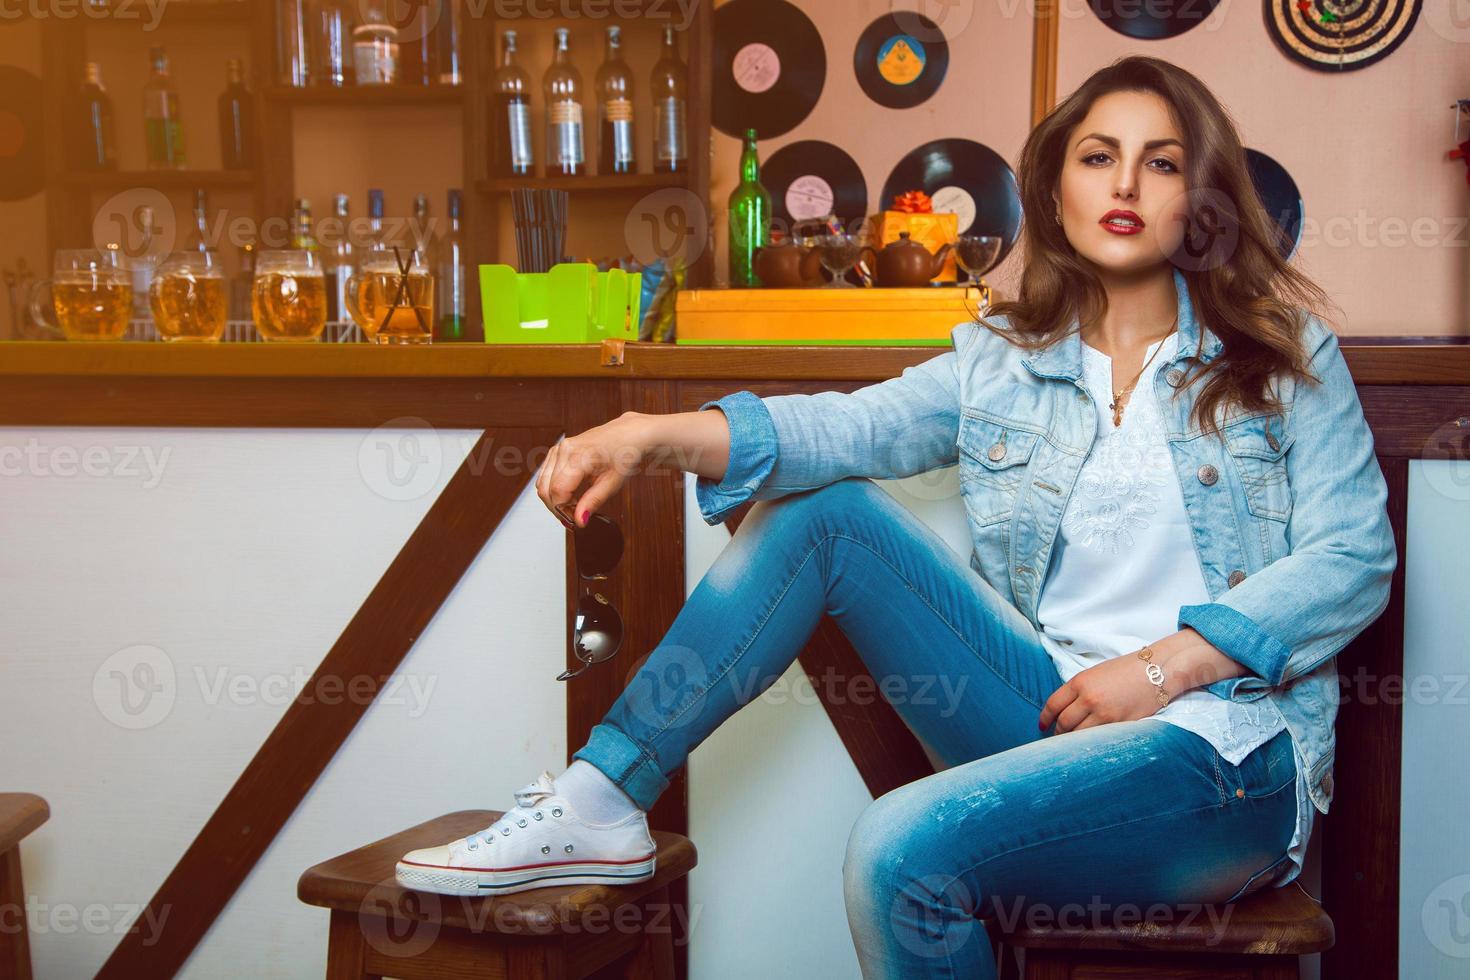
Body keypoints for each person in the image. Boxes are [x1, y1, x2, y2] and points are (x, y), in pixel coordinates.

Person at [395, 55, 1395, 978]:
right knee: (824, 511)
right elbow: (847, 428)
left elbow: (1354, 556)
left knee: (894, 850)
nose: (1126, 185)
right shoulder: (1003, 361)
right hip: (1047, 712)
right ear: (1056, 190)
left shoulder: (1283, 356)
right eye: (1099, 157)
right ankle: (604, 793)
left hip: (1223, 757)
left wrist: (1160, 667)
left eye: (1161, 163)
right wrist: (651, 432)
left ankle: (608, 794)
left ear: (1205, 199)